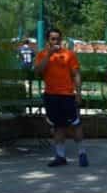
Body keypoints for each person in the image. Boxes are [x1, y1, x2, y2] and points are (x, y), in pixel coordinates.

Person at [33, 27, 88, 167]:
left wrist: (79, 93)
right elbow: (38, 71)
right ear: (48, 40)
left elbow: (76, 74)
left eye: (58, 38)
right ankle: (60, 156)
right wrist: (49, 55)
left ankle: (82, 153)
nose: (56, 41)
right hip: (51, 95)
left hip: (67, 95)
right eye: (53, 39)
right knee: (58, 126)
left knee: (75, 124)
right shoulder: (42, 54)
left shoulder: (69, 54)